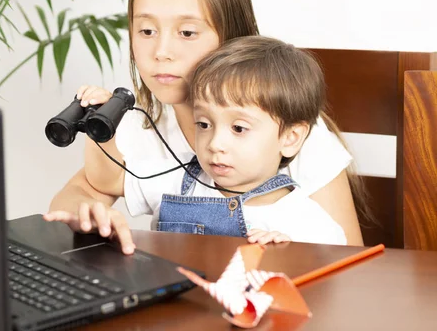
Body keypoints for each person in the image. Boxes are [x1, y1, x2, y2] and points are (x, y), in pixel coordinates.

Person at [44, 0, 365, 253]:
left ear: (232, 37)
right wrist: (86, 217)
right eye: (146, 31)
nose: (162, 53)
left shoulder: (284, 127)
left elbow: (349, 261)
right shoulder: (139, 126)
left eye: (187, 33)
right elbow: (87, 189)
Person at [125, 35, 347, 245]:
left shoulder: (308, 224)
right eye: (204, 124)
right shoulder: (174, 177)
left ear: (290, 138)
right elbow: (104, 180)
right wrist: (104, 118)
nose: (214, 144)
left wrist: (292, 258)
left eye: (239, 128)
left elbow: (335, 275)